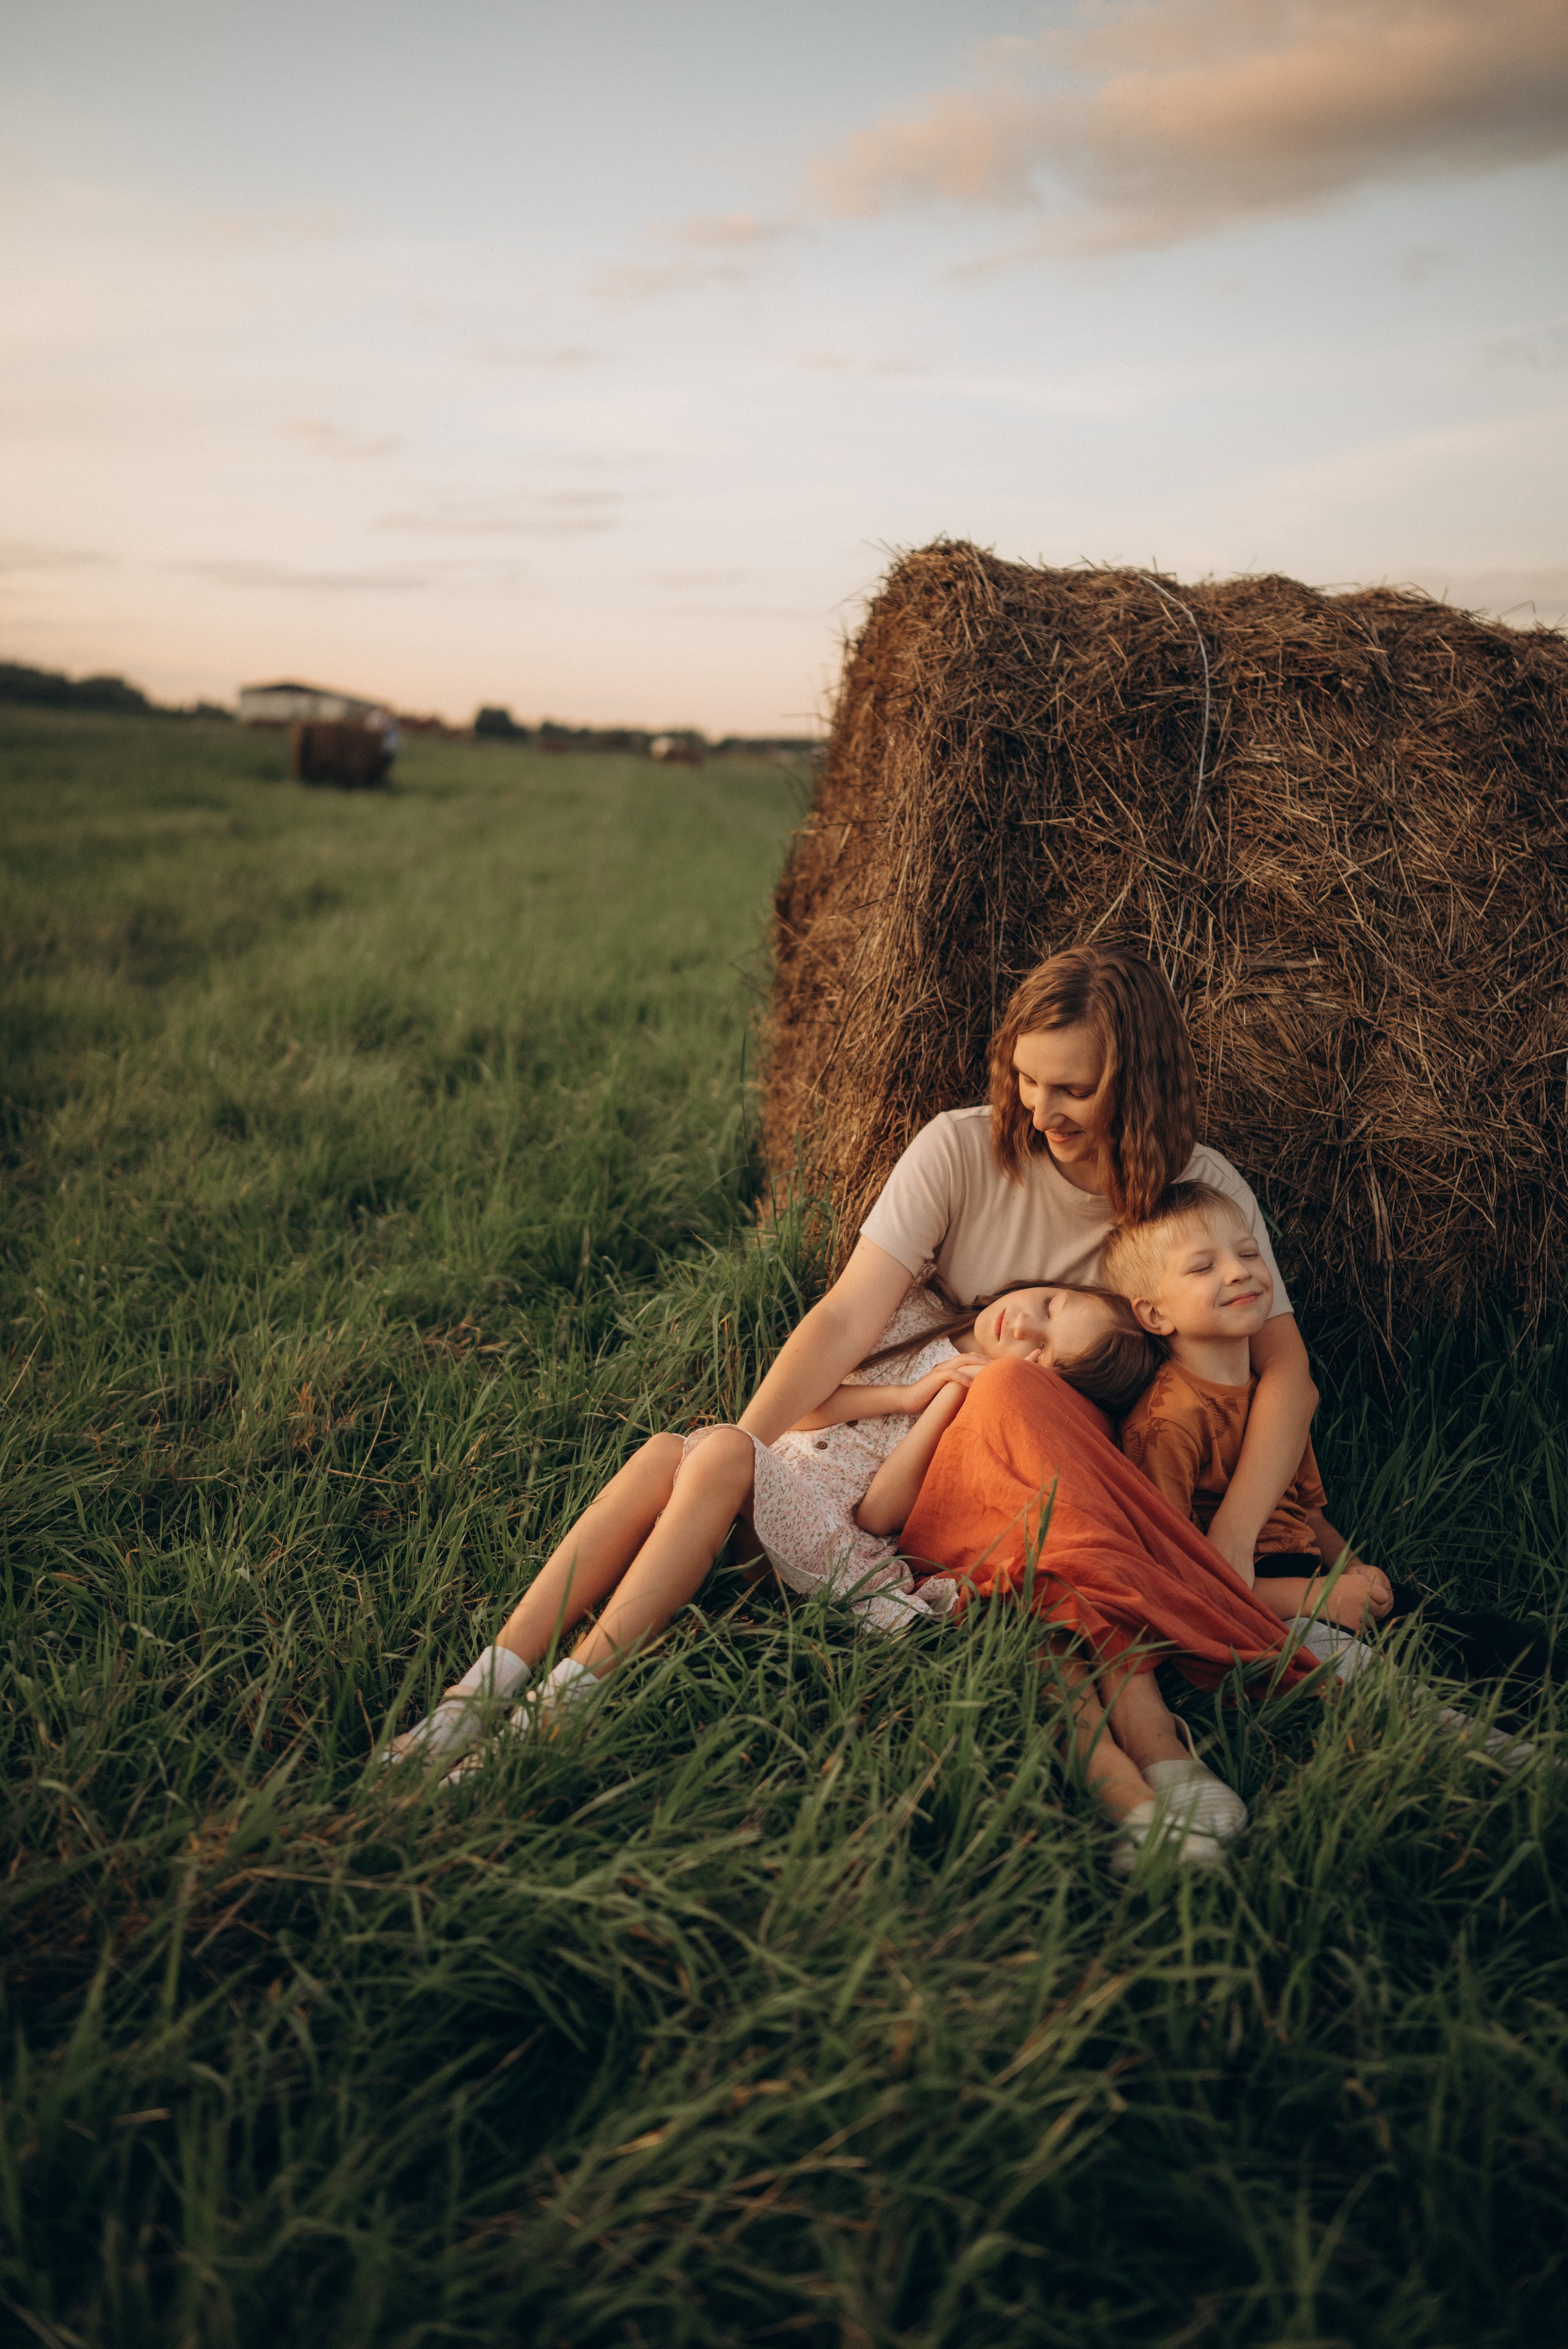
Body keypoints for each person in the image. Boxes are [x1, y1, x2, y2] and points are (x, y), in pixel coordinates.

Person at [384, 1278, 1160, 1778]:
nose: (1023, 1325)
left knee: (717, 1447)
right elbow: (805, 1403)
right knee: (665, 1451)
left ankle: (560, 1706)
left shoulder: (981, 1414)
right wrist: (904, 1395)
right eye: (1050, 1304)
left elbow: (882, 1513)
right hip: (769, 1475)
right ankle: (479, 1692)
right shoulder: (919, 1312)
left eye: (1041, 1352)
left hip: (829, 1536)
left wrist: (945, 1407)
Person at [1104, 1182, 1393, 1634]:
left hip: (1311, 1576)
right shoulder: (1166, 1421)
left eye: (1249, 1253)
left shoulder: (1274, 1400)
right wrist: (1318, 1598)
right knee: (1369, 1683)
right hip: (1253, 1598)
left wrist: (1353, 1568)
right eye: (1203, 1267)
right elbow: (1179, 1571)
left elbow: (1308, 1516)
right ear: (1155, 1315)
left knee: (1466, 1636)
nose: (1239, 1272)